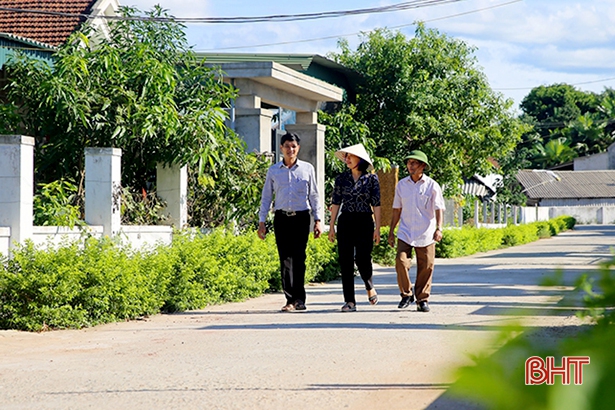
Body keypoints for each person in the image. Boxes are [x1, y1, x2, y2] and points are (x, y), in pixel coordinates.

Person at [258, 132, 323, 312]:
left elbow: (314, 196)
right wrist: (261, 221)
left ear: (298, 148)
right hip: (281, 218)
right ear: (281, 148)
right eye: (287, 146)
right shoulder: (273, 170)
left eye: (293, 146)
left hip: (301, 217)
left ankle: (300, 299)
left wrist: (318, 220)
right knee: (285, 258)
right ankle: (289, 299)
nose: (290, 150)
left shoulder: (307, 169)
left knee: (299, 258)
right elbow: (266, 197)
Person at [388, 150, 445, 312]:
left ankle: (422, 299)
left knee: (426, 265)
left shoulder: (432, 185)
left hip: (426, 232)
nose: (410, 166)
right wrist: (391, 231)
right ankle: (406, 294)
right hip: (405, 231)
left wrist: (439, 228)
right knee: (401, 261)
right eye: (408, 163)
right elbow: (396, 209)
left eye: (414, 163)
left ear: (422, 166)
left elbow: (439, 208)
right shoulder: (401, 185)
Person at [328, 144, 381, 312]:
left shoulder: (372, 179)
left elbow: (377, 204)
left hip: (365, 220)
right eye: (346, 156)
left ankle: (368, 284)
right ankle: (349, 301)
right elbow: (336, 203)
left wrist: (378, 228)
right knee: (345, 261)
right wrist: (331, 226)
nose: (347, 159)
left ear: (360, 159)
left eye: (351, 156)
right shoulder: (341, 179)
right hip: (346, 221)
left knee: (363, 258)